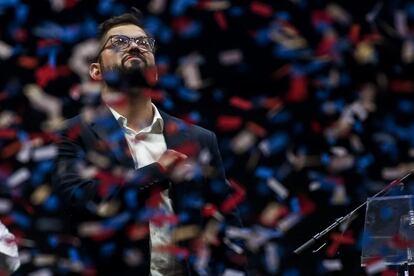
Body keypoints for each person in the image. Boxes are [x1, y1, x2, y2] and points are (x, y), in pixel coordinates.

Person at [53, 8, 246, 275]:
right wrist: (157, 170)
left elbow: (228, 222)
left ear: (154, 72)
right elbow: (80, 200)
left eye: (144, 43)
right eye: (119, 42)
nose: (134, 46)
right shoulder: (72, 135)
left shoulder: (199, 139)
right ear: (96, 71)